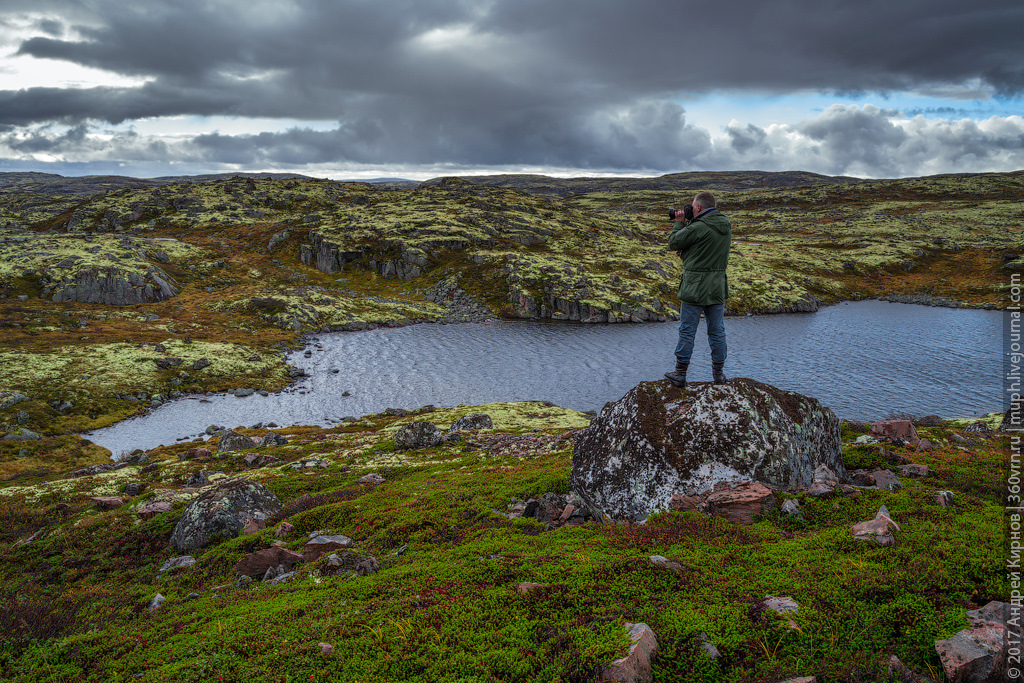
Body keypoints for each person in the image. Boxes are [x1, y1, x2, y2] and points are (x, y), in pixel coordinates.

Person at [664, 191, 731, 388]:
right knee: (717, 331)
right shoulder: (725, 225)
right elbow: (705, 251)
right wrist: (688, 253)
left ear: (699, 207)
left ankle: (680, 373)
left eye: (692, 206)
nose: (690, 209)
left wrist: (680, 222)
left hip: (694, 287)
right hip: (717, 287)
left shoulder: (698, 227)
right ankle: (718, 374)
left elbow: (673, 242)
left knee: (687, 331)